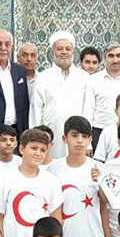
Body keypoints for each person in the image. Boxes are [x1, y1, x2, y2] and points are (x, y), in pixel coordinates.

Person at [47, 116, 107, 237]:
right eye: (74, 135)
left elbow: (105, 204)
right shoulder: (52, 170)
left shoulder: (99, 168)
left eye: (84, 136)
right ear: (65, 138)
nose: (79, 141)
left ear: (90, 140)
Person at [0, 128, 64, 237]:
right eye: (34, 148)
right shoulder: (4, 179)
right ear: (22, 149)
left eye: (43, 150)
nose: (38, 153)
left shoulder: (52, 181)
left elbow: (56, 219)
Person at [30, 31, 88, 159]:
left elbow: (88, 108)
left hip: (78, 134)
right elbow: (36, 109)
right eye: (59, 49)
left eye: (68, 49)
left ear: (73, 52)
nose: (64, 52)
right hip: (51, 132)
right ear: (52, 52)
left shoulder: (84, 77)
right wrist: (36, 137)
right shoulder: (43, 77)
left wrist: (88, 140)